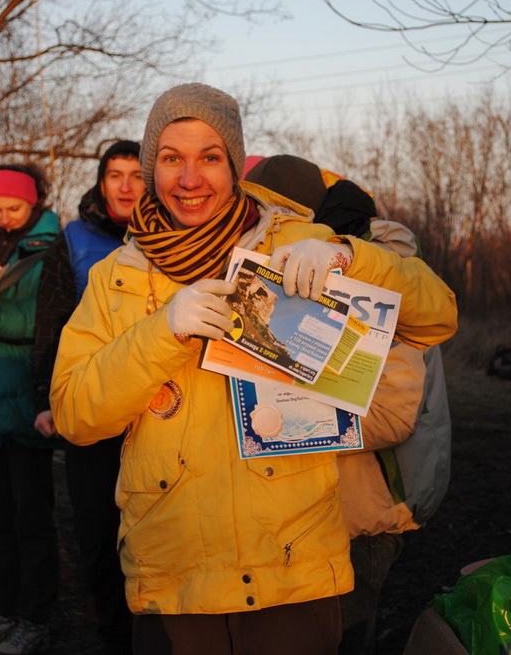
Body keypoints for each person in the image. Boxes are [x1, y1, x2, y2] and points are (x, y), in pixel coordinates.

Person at [49, 83, 457, 655]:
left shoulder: (295, 239)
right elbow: (74, 414)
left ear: (235, 166)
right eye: (171, 159)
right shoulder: (116, 276)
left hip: (294, 569)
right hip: (175, 577)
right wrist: (162, 332)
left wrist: (349, 258)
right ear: (151, 167)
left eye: (210, 158)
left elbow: (437, 316)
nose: (190, 179)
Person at [245, 153, 451, 655]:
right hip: (304, 508)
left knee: (342, 637)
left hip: (366, 506)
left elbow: (392, 415)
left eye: (264, 217)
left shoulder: (376, 271)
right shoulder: (273, 270)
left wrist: (268, 425)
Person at [32, 140, 145, 655]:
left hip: (152, 410)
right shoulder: (74, 238)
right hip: (92, 406)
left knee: (151, 532)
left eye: (135, 175)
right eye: (114, 175)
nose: (125, 185)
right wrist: (45, 396)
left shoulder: (172, 237)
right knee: (98, 530)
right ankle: (111, 634)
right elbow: (51, 320)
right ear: (101, 182)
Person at [0, 163, 60, 655]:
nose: (4, 217)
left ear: (33, 205)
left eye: (14, 208)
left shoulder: (51, 248)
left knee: (32, 515)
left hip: (26, 387)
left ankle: (37, 616)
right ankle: (2, 609)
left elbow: (48, 320)